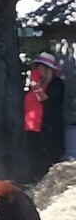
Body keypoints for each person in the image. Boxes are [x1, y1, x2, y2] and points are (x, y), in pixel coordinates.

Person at [24, 52, 65, 183]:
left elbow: (50, 103)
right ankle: (36, 184)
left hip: (47, 130)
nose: (38, 68)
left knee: (47, 161)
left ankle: (49, 186)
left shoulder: (56, 83)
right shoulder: (36, 84)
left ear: (48, 68)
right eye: (37, 65)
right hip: (31, 128)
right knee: (34, 161)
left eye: (40, 65)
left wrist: (37, 89)